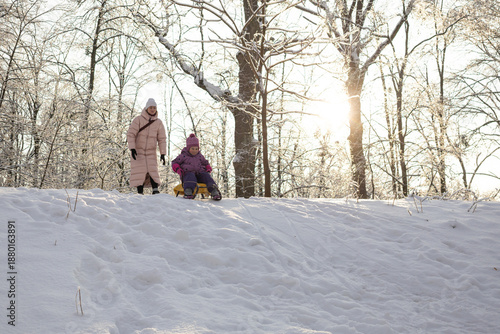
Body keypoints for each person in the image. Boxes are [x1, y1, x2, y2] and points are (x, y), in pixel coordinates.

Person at [127, 98, 167, 194]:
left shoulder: (158, 123)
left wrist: (163, 153)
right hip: (138, 151)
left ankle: (155, 189)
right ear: (146, 108)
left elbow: (162, 139)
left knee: (152, 170)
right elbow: (131, 134)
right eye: (151, 107)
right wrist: (132, 148)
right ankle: (139, 191)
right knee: (139, 171)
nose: (152, 109)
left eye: (154, 107)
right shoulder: (138, 120)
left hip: (151, 152)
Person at [172, 133, 221, 200]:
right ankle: (188, 191)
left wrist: (208, 167)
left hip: (199, 174)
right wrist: (178, 169)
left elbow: (205, 163)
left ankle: (214, 191)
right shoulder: (183, 156)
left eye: (196, 149)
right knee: (190, 175)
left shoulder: (200, 156)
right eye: (193, 148)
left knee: (206, 176)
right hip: (188, 174)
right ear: (188, 148)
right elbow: (174, 162)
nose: (195, 151)